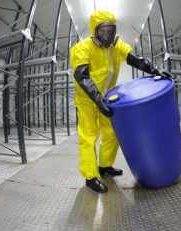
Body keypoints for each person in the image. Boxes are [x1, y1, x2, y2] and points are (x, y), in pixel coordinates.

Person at [70, 10, 173, 193]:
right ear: (95, 30)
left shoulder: (116, 47)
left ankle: (104, 167)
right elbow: (82, 76)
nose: (107, 34)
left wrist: (155, 70)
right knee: (88, 136)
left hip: (108, 97)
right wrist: (96, 99)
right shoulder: (83, 48)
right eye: (103, 30)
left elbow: (135, 60)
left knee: (111, 132)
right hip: (87, 99)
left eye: (111, 29)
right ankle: (90, 176)